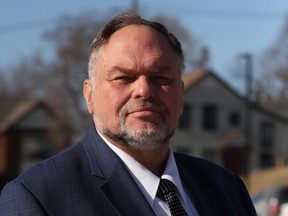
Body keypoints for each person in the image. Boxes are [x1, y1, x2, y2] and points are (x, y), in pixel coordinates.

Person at [0, 12, 256, 216]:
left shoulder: (227, 189)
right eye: (123, 77)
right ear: (90, 96)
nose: (144, 90)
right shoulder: (38, 196)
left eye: (160, 78)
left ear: (180, 95)